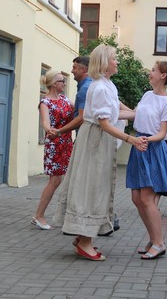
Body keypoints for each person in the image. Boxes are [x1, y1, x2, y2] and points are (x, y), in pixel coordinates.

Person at [54, 45, 146, 261]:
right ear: (105, 63)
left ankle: (82, 237)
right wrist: (130, 139)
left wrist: (145, 112)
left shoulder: (106, 85)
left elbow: (116, 112)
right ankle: (85, 241)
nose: (117, 62)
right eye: (115, 59)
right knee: (92, 188)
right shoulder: (101, 88)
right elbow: (104, 123)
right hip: (96, 140)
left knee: (93, 186)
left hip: (96, 139)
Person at [128, 61, 167, 259]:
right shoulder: (147, 95)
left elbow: (162, 133)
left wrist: (143, 140)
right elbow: (135, 115)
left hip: (152, 148)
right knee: (136, 199)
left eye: (153, 70)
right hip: (138, 146)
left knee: (147, 199)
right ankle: (153, 238)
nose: (149, 73)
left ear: (163, 76)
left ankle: (159, 243)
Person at [31, 71, 74, 230]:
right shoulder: (45, 102)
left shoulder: (64, 99)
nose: (64, 83)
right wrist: (51, 130)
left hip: (67, 142)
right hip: (55, 144)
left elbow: (78, 113)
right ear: (54, 84)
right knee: (55, 180)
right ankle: (39, 215)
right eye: (62, 81)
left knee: (64, 179)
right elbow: (45, 123)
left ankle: (67, 215)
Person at [53, 56, 92, 139]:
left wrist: (59, 131)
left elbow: (81, 118)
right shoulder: (93, 85)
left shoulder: (84, 89)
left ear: (83, 70)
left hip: (86, 137)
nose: (72, 71)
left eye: (74, 68)